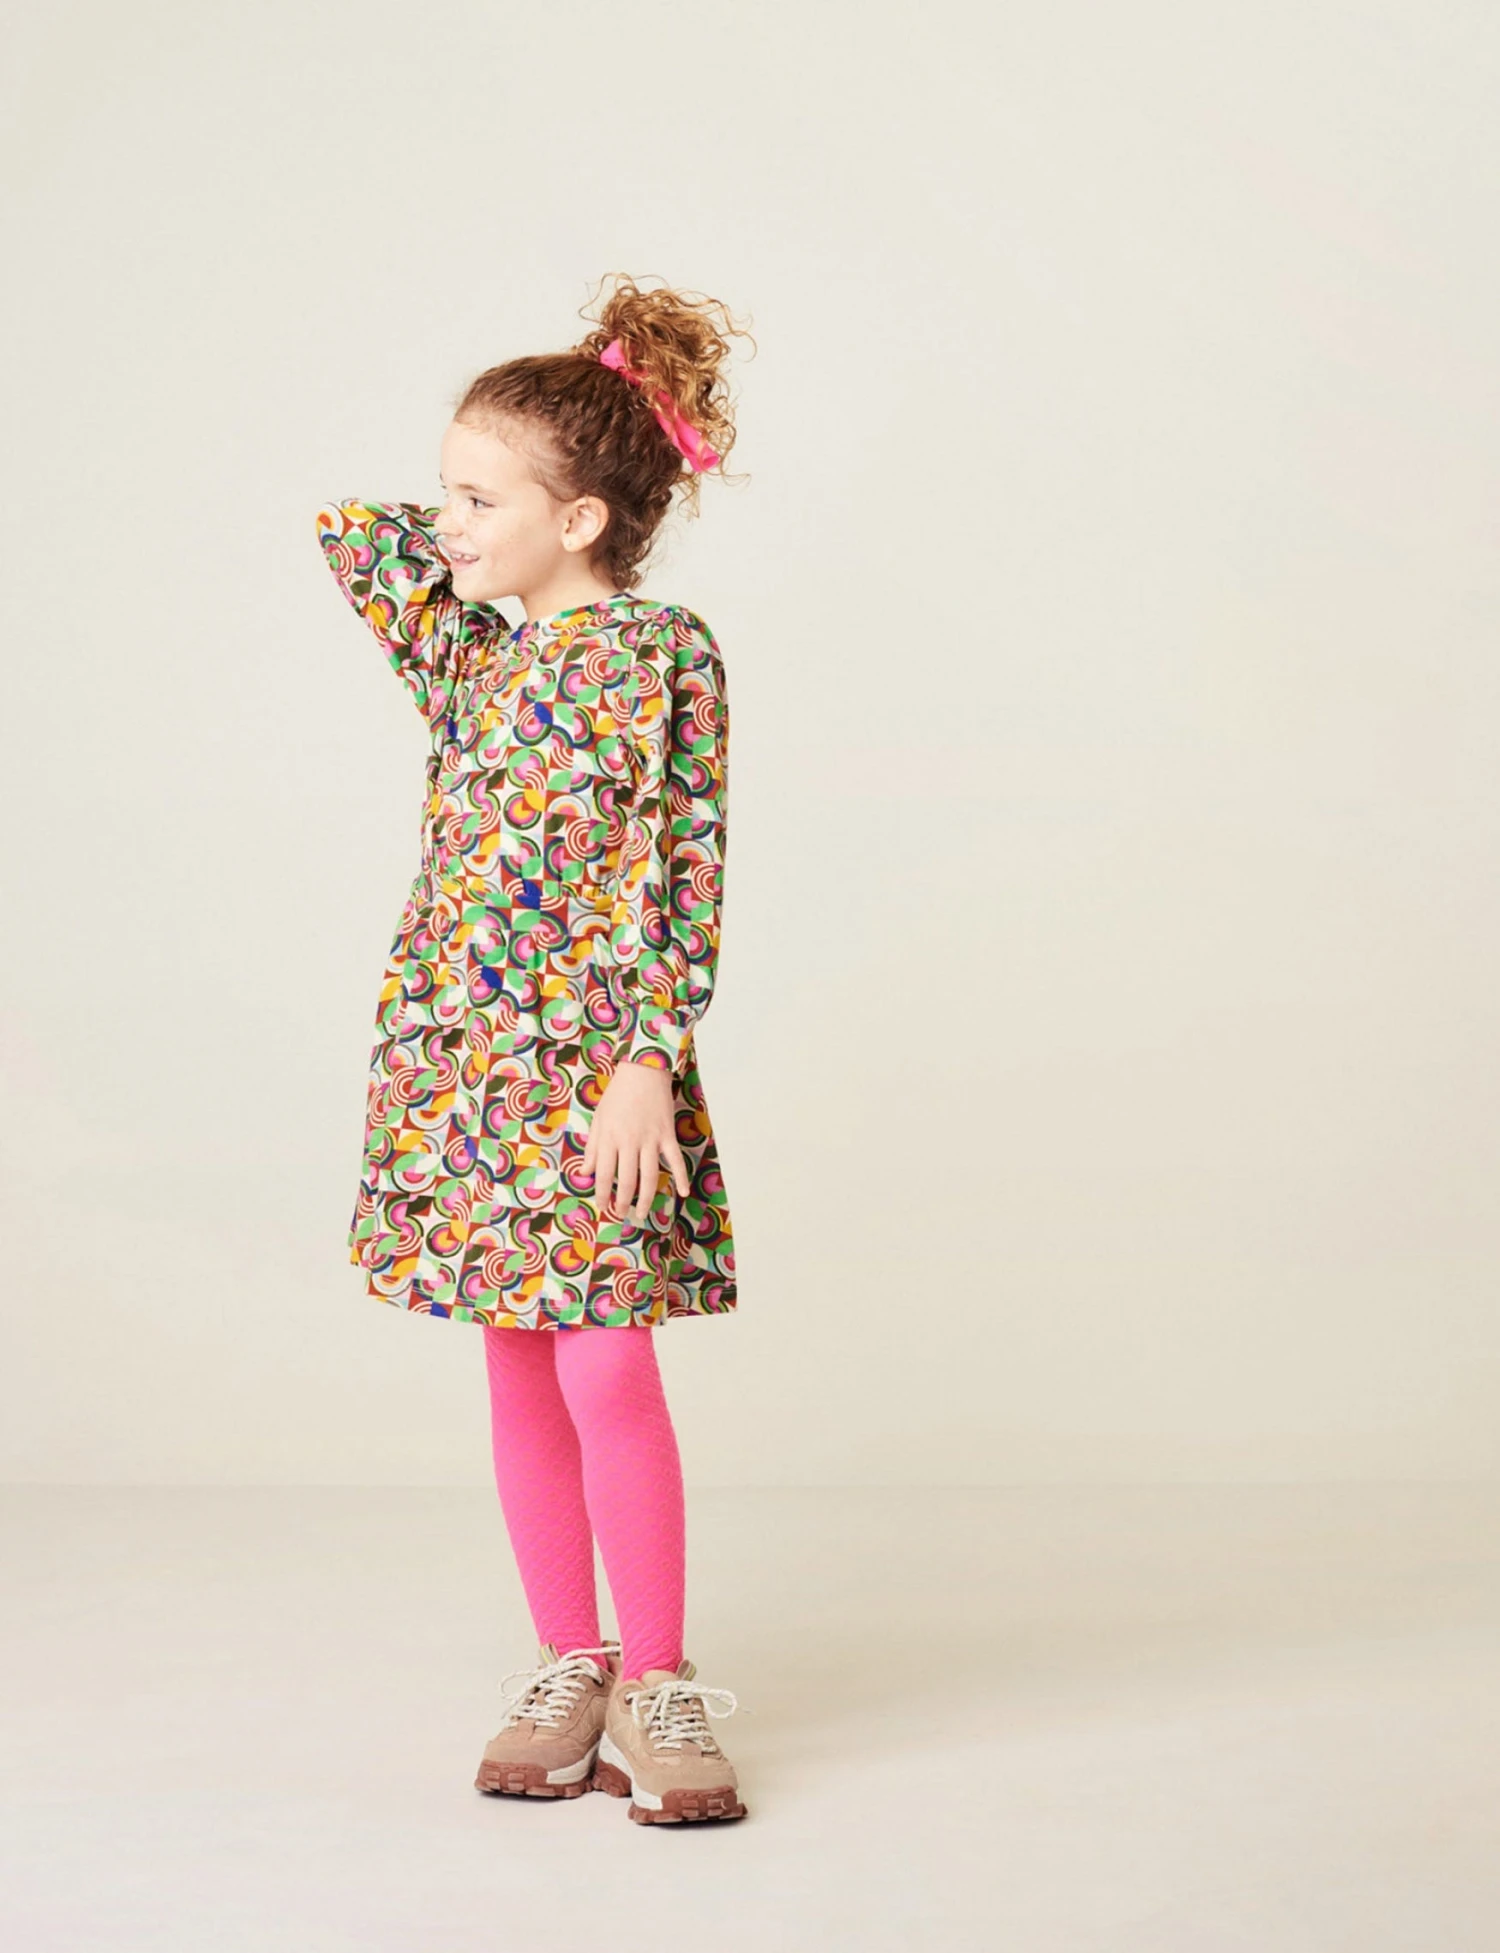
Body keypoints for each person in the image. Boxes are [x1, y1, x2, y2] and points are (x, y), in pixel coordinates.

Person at [314, 274, 753, 1826]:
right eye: (445, 494)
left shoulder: (664, 652)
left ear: (581, 522)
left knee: (607, 1356)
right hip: (456, 1062)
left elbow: (685, 867)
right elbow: (348, 532)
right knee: (515, 1354)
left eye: (478, 501)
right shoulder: (467, 657)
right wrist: (538, 437)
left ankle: (660, 1679)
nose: (444, 524)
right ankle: (569, 1662)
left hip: (596, 1068)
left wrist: (648, 1059)